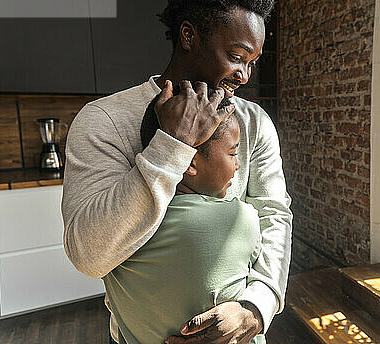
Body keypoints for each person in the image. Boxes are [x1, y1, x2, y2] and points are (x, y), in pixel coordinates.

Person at [61, 0, 292, 344]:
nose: (245, 75)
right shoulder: (103, 121)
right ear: (189, 36)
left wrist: (256, 307)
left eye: (252, 62)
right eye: (236, 57)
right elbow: (89, 255)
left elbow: (275, 215)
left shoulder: (253, 122)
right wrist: (172, 146)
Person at [104, 98, 265, 344]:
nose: (238, 164)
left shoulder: (114, 230)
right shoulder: (243, 219)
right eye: (232, 152)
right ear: (190, 161)